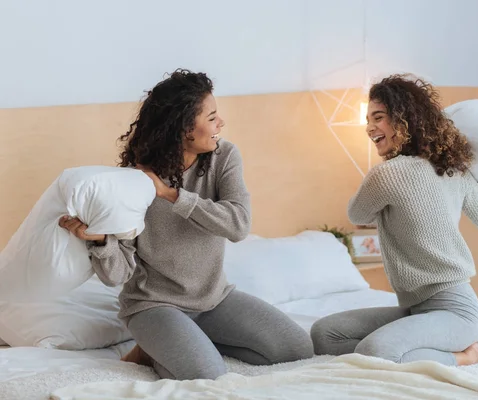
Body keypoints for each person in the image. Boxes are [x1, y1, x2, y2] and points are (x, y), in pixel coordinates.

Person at [59, 69, 313, 380]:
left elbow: (238, 225)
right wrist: (101, 241)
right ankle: (158, 347)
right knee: (206, 373)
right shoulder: (134, 182)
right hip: (154, 305)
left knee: (296, 348)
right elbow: (117, 275)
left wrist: (172, 196)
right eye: (212, 117)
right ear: (184, 128)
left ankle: (186, 343)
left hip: (214, 300)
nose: (221, 124)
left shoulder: (224, 156)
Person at [310, 74, 478, 367]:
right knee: (324, 333)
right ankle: (404, 347)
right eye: (368, 119)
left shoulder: (389, 173)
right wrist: (477, 173)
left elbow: (358, 214)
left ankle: (463, 356)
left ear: (404, 119)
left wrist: (474, 171)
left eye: (378, 117)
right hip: (418, 308)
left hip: (456, 310)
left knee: (375, 351)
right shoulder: (452, 169)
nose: (369, 128)